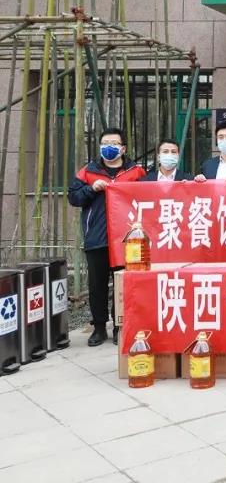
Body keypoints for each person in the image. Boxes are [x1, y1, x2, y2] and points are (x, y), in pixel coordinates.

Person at [67, 128, 147, 346]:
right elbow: (73, 197)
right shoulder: (88, 171)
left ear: (123, 148)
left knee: (123, 284)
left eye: (114, 143)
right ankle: (99, 327)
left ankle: (120, 325)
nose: (109, 147)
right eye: (105, 143)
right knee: (97, 285)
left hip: (127, 239)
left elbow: (150, 196)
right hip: (97, 237)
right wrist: (91, 189)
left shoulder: (136, 172)